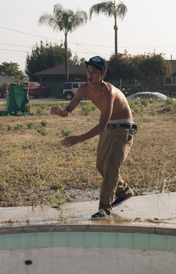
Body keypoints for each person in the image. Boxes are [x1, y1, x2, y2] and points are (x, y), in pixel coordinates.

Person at [50, 55, 137, 220]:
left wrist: (78, 139)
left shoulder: (109, 93)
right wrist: (59, 112)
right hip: (108, 128)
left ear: (103, 73)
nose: (90, 75)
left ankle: (104, 208)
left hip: (123, 129)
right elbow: (68, 110)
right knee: (100, 166)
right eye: (88, 71)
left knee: (111, 167)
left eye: (94, 72)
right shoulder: (84, 89)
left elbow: (102, 124)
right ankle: (124, 191)